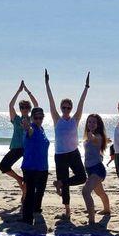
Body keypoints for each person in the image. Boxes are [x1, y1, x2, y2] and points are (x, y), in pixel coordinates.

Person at [45, 69, 89, 219]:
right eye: (63, 107)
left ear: (71, 108)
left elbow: (81, 103)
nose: (66, 109)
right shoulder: (57, 119)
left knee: (82, 177)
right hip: (60, 155)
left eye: (68, 107)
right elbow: (50, 101)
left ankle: (61, 183)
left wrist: (86, 88)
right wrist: (47, 83)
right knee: (66, 188)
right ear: (60, 108)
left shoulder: (75, 119)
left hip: (73, 153)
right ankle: (67, 210)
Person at [0, 80, 38, 193]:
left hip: (28, 149)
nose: (24, 109)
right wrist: (19, 91)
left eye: (26, 107)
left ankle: (25, 195)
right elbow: (11, 105)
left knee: (27, 173)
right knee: (3, 166)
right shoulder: (16, 119)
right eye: (22, 107)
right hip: (16, 148)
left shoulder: (32, 120)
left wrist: (28, 91)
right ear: (20, 109)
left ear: (29, 109)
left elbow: (36, 105)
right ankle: (19, 179)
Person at [20, 107, 50, 225]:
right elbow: (29, 130)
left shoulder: (41, 128)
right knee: (30, 193)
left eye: (41, 117)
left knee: (40, 191)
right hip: (30, 167)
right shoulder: (31, 128)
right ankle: (27, 218)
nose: (38, 120)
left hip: (43, 167)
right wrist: (27, 126)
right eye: (36, 117)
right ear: (32, 118)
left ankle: (36, 210)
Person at [82, 114, 110, 224]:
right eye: (89, 122)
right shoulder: (88, 136)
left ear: (98, 125)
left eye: (94, 122)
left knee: (85, 192)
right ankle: (107, 209)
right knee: (100, 192)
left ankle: (91, 220)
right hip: (89, 170)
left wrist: (91, 137)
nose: (91, 124)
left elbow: (95, 140)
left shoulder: (98, 137)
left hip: (97, 170)